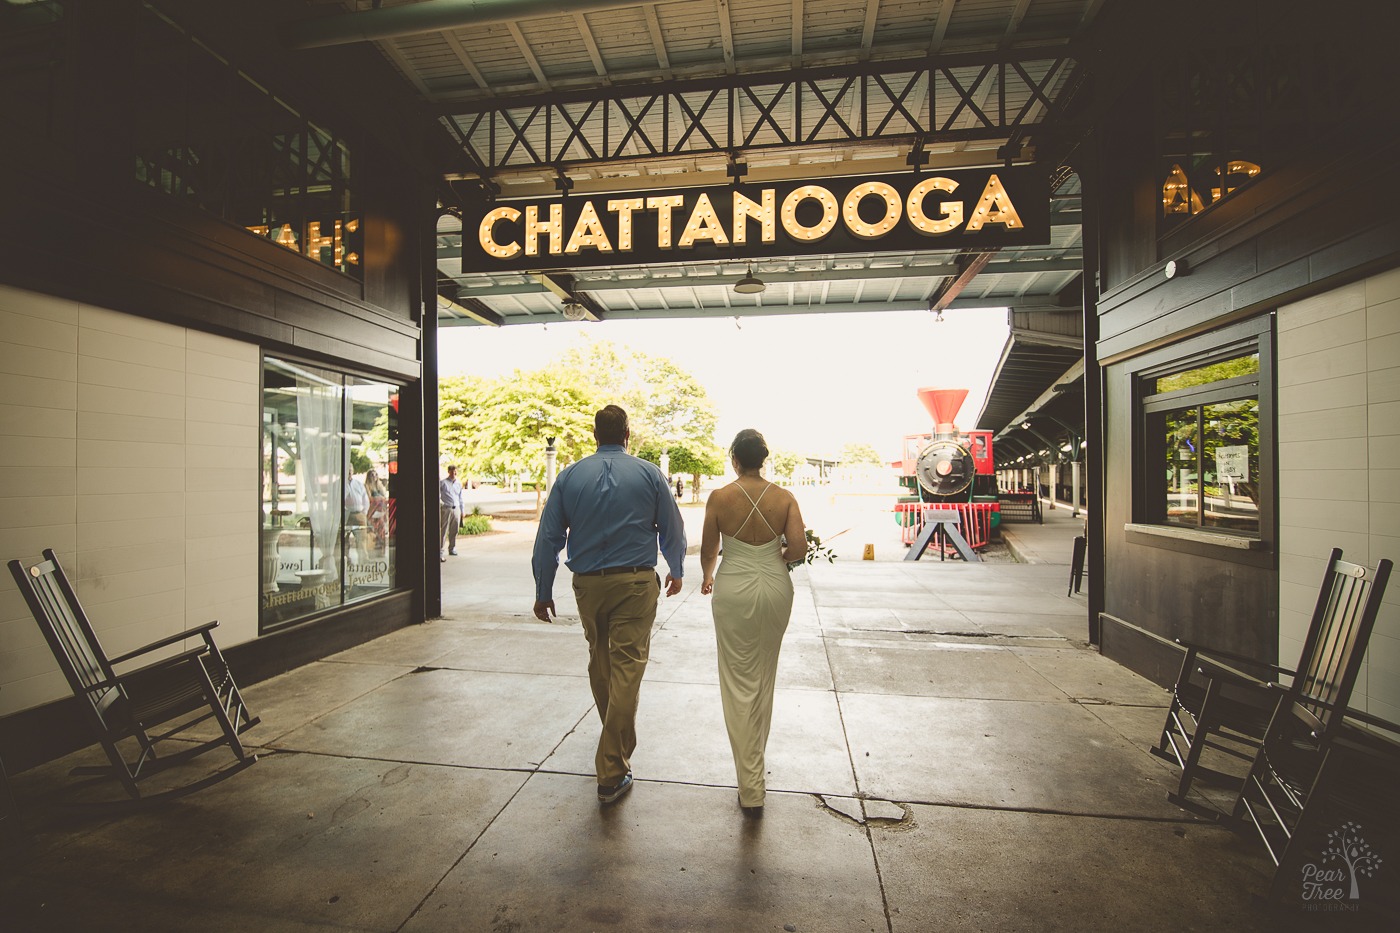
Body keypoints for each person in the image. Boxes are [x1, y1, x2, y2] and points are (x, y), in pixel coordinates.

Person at [531, 405, 687, 806]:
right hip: (635, 582)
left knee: (601, 662)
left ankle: (614, 749)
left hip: (588, 586)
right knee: (628, 669)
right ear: (627, 434)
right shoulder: (650, 474)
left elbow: (548, 536)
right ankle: (612, 766)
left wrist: (543, 588)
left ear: (595, 434)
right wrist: (677, 567)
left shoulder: (569, 476)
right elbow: (672, 528)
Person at [700, 428, 807, 817]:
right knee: (764, 677)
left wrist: (708, 576)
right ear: (762, 459)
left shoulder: (720, 498)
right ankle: (754, 775)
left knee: (737, 683)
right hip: (776, 589)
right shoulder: (785, 498)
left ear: (734, 459)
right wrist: (773, 554)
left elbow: (709, 549)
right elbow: (797, 550)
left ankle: (751, 786)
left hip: (734, 589)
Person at [439, 464, 465, 561]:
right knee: (444, 530)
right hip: (446, 508)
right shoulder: (443, 483)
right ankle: (440, 551)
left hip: (456, 508)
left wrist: (462, 510)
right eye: (452, 471)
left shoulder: (458, 483)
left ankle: (452, 548)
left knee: (455, 529)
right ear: (448, 472)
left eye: (455, 471)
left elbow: (460, 497)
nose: (454, 473)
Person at [344, 470, 370, 560]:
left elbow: (365, 499)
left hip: (359, 515)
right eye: (347, 470)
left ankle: (363, 560)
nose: (349, 472)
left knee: (362, 539)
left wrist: (364, 513)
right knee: (344, 540)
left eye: (350, 470)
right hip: (345, 515)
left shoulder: (358, 484)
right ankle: (345, 560)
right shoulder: (339, 484)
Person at [365, 469, 389, 552]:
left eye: (376, 475)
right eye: (372, 475)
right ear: (369, 476)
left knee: (382, 527)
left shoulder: (380, 486)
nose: (374, 477)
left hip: (381, 512)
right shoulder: (367, 486)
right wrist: (379, 499)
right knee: (374, 529)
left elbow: (385, 498)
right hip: (373, 512)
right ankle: (375, 547)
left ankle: (382, 548)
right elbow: (369, 499)